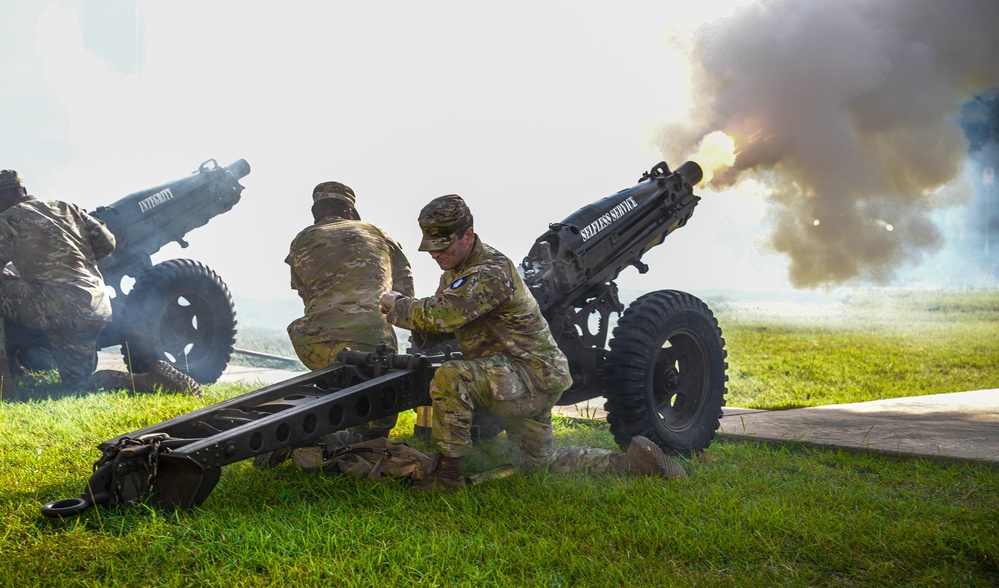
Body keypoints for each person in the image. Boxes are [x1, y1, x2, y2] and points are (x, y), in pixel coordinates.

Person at [379, 194, 686, 492]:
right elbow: (444, 323)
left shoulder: (491, 270)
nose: (435, 254)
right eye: (431, 248)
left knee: (452, 376)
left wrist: (399, 305)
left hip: (528, 374)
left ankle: (448, 476)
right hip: (523, 374)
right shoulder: (455, 274)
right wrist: (420, 328)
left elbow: (445, 313)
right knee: (538, 463)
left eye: (443, 246)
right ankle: (629, 464)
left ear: (468, 235)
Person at [0, 169, 201, 399]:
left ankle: (4, 380)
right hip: (95, 307)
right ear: (23, 190)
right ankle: (149, 381)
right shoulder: (66, 207)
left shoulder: (7, 220)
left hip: (57, 308)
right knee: (79, 384)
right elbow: (108, 243)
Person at [282, 181, 415, 443]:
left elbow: (305, 294)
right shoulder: (377, 233)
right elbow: (405, 297)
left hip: (314, 342)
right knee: (376, 427)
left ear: (315, 213)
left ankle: (323, 431)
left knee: (337, 380)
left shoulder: (301, 240)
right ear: (351, 211)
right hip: (371, 343)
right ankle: (354, 436)